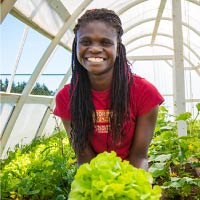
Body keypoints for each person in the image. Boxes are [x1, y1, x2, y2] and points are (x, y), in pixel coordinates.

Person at [54, 8, 164, 171]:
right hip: (93, 173)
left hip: (132, 172)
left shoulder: (145, 93)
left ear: (118, 49)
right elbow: (84, 157)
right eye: (86, 42)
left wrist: (132, 188)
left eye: (105, 42)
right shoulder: (66, 98)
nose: (95, 49)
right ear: (76, 46)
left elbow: (139, 156)